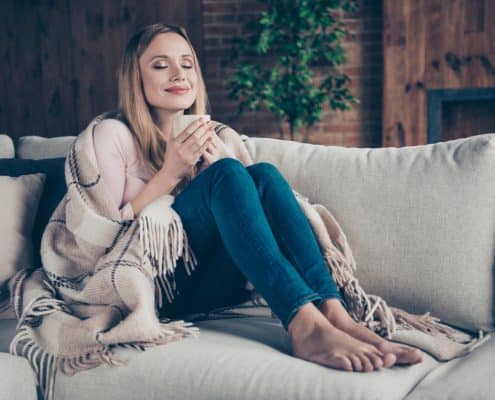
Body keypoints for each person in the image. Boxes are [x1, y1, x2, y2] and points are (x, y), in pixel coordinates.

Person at [92, 23, 423, 373]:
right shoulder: (113, 134)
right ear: (135, 77)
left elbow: (254, 217)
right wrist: (171, 173)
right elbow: (105, 234)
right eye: (160, 65)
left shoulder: (217, 135)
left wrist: (221, 166)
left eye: (187, 64)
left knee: (260, 174)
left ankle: (333, 311)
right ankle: (302, 323)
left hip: (216, 285)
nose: (178, 74)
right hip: (161, 290)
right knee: (228, 174)